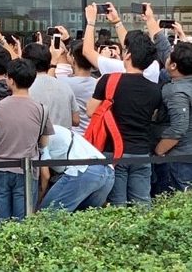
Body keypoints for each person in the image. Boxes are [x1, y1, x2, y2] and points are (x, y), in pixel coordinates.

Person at [89, 30, 162, 207]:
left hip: (114, 150)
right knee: (142, 203)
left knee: (117, 204)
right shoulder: (155, 89)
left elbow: (91, 111)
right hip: (142, 152)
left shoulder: (109, 80)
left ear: (128, 54)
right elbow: (153, 116)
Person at [0, 59, 53, 221]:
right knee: (22, 222)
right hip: (27, 171)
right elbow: (44, 143)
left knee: (0, 221)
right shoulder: (41, 109)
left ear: (11, 80)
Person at [37, 125, 113, 212]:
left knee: (46, 214)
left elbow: (45, 175)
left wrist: (38, 201)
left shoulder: (42, 134)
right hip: (107, 171)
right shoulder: (57, 129)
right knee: (85, 219)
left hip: (82, 170)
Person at [157, 41, 192, 190]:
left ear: (174, 66)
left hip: (181, 156)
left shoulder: (176, 91)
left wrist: (159, 150)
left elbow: (179, 127)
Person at [22, 42, 79, 130]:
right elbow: (76, 120)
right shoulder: (65, 86)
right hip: (63, 141)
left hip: (36, 140)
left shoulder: (24, 89)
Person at [61, 40, 98, 136]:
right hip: (92, 134)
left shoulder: (65, 83)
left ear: (73, 58)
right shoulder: (98, 83)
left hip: (75, 135)